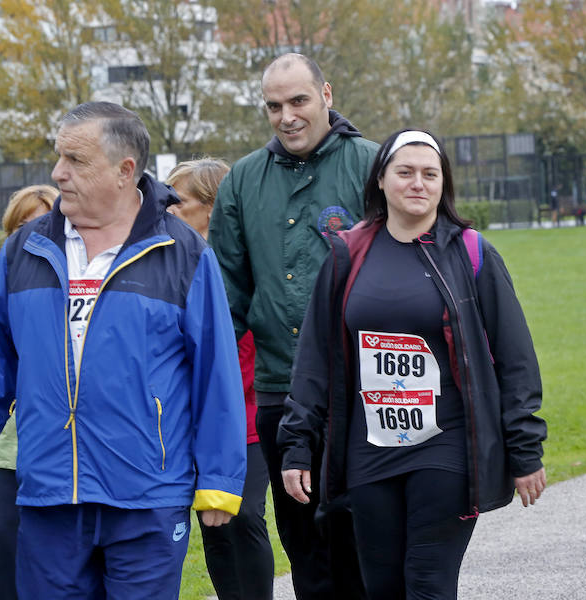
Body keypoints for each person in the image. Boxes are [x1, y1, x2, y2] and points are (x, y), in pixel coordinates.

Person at [0, 101, 246, 598]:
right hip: (48, 492)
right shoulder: (24, 249)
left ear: (126, 170)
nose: (58, 172)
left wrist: (220, 477)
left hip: (148, 493)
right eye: (59, 157)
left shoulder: (184, 253)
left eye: (76, 160)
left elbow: (215, 373)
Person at [278, 129, 548, 600]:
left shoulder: (470, 252)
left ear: (444, 184)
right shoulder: (347, 253)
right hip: (370, 451)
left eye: (430, 173)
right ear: (381, 179)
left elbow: (514, 358)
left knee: (428, 584)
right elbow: (315, 360)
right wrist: (298, 444)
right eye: (405, 172)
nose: (417, 183)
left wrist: (525, 449)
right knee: (382, 587)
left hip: (446, 449)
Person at [210, 53, 378, 600]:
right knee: (306, 547)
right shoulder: (242, 182)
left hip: (366, 391)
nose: (287, 116)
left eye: (298, 100)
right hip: (283, 393)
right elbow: (226, 296)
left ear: (326, 94)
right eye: (274, 106)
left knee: (369, 544)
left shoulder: (372, 165)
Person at [165, 159, 274, 600]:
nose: (167, 210)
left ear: (212, 208)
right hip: (187, 421)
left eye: (178, 202)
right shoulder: (170, 262)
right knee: (212, 522)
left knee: (243, 514)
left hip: (245, 416)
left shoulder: (245, 262)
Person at [0, 184, 58, 600]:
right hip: (4, 454)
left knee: (57, 566)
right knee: (3, 557)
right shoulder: (3, 286)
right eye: (24, 226)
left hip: (57, 452)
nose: (34, 234)